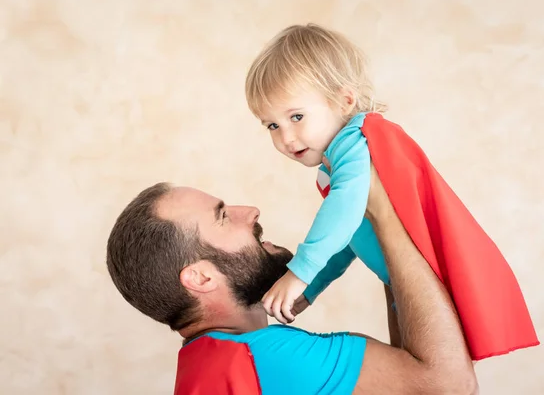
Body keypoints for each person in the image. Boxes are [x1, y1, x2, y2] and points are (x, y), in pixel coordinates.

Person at [245, 23, 539, 360]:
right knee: (412, 376)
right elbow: (350, 234)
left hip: (429, 286)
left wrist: (300, 272)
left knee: (434, 379)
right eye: (272, 125)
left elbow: (343, 210)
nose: (285, 137)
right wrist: (311, 286)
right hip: (407, 286)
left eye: (296, 116)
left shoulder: (356, 142)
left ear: (344, 100)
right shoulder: (335, 163)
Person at [105, 167, 478, 394]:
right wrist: (382, 214)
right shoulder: (265, 358)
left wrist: (381, 247)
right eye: (221, 217)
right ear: (200, 277)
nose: (250, 212)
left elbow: (407, 377)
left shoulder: (208, 365)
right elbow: (448, 387)